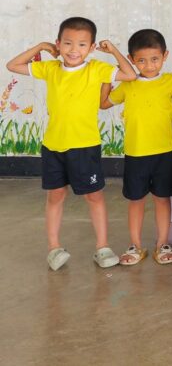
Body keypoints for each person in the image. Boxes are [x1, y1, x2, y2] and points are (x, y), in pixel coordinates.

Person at [6, 17, 136, 270]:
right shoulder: (51, 68)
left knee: (94, 196)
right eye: (67, 43)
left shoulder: (96, 68)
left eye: (82, 44)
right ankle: (54, 248)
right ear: (58, 44)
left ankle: (102, 247)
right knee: (55, 196)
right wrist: (40, 47)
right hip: (53, 146)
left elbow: (129, 75)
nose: (74, 50)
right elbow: (13, 65)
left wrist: (113, 51)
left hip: (85, 146)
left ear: (91, 47)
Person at [100, 29, 172, 266]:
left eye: (155, 59)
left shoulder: (169, 82)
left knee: (162, 199)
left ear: (165, 56)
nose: (149, 65)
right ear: (131, 59)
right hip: (135, 153)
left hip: (163, 153)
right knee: (135, 200)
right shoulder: (129, 84)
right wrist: (107, 77)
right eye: (142, 60)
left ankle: (162, 244)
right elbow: (103, 103)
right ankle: (135, 245)